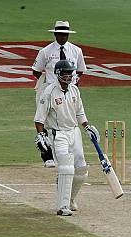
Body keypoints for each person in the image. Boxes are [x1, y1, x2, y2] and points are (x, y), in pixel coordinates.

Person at [34, 60, 98, 216]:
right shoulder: (49, 92)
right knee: (67, 167)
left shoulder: (75, 90)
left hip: (74, 131)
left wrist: (87, 127)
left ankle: (70, 199)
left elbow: (80, 112)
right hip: (58, 133)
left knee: (82, 168)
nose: (69, 76)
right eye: (65, 73)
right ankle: (62, 207)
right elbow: (39, 119)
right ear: (58, 74)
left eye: (70, 73)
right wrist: (41, 134)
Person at [32, 20, 87, 168]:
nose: (63, 37)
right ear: (55, 34)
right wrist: (51, 85)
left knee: (67, 120)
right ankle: (47, 155)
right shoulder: (46, 51)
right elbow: (36, 71)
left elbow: (80, 70)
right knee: (45, 121)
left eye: (66, 34)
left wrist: (70, 82)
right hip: (50, 89)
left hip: (69, 90)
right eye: (61, 34)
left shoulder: (76, 51)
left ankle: (65, 151)